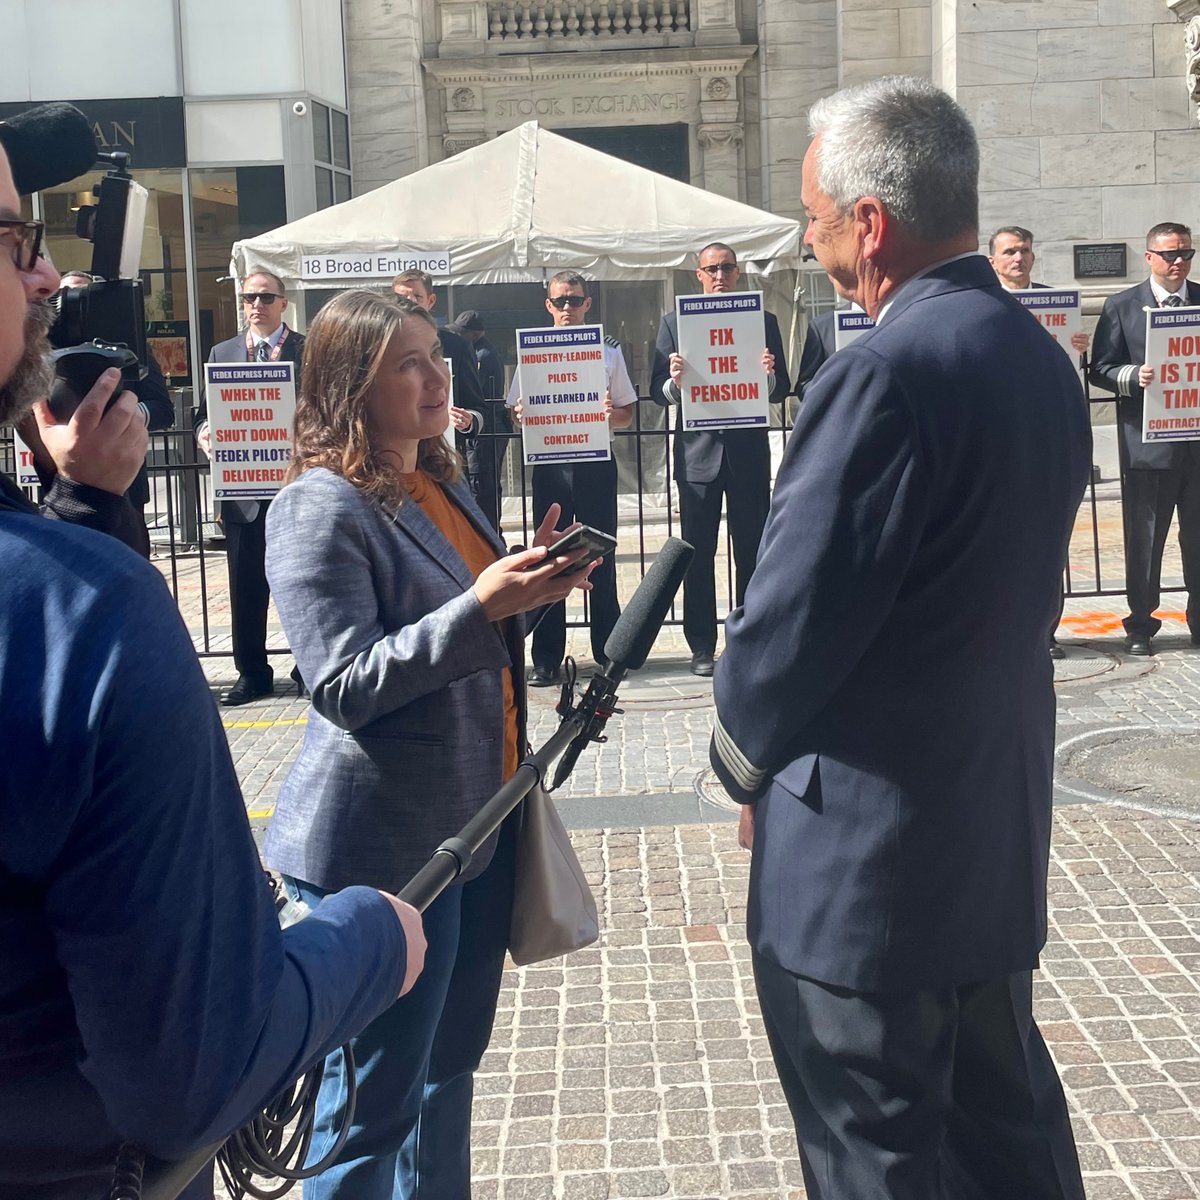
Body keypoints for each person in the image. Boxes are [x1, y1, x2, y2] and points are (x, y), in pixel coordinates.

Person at [0, 136, 426, 1200]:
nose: (48, 275)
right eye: (14, 244)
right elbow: (193, 1067)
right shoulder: (78, 617)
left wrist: (87, 510)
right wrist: (368, 938)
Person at [709, 76, 1090, 1200]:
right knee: (1006, 1148)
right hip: (988, 833)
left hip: (864, 877)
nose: (810, 238)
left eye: (814, 217)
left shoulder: (879, 369)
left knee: (874, 1161)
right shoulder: (1037, 358)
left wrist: (740, 758)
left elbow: (790, 618)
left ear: (869, 223)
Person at [262, 289, 594, 1199]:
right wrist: (479, 607)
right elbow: (343, 687)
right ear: (349, 385)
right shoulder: (317, 507)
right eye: (406, 363)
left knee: (446, 1078)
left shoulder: (440, 479)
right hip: (382, 848)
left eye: (436, 355)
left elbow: (469, 626)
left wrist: (524, 591)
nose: (436, 375)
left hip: (476, 827)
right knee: (369, 1112)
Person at [650, 242, 792, 677]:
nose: (719, 275)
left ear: (738, 273)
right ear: (698, 274)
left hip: (746, 454)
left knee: (753, 551)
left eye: (727, 268)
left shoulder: (763, 321)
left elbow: (782, 387)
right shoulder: (675, 323)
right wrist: (674, 382)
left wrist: (767, 376)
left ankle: (749, 641)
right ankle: (700, 646)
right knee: (697, 552)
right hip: (698, 457)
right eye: (711, 268)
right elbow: (656, 390)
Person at [506, 270, 637, 685]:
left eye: (574, 300)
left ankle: (609, 652)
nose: (567, 308)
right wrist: (521, 414)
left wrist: (608, 413)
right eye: (559, 301)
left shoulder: (609, 352)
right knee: (548, 557)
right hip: (550, 462)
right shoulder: (532, 351)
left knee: (603, 556)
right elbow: (514, 411)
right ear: (548, 305)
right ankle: (545, 658)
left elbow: (627, 412)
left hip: (596, 461)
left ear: (587, 304)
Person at [194, 270, 305, 705]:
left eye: (264, 297)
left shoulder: (305, 349)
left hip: (295, 487)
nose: (255, 305)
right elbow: (204, 412)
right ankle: (252, 673)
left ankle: (307, 667)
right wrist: (204, 431)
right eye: (248, 298)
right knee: (244, 587)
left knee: (303, 584)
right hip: (243, 491)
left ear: (283, 303)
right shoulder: (223, 352)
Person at [1090, 221, 1200, 656]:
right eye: (1170, 254)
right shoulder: (1121, 306)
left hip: (1197, 443)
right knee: (1145, 539)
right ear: (1149, 256)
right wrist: (1135, 376)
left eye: (1186, 254)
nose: (1178, 262)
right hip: (1148, 445)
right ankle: (1140, 625)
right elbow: (1099, 368)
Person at [988, 226, 1091, 658]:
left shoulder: (1056, 303)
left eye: (1025, 251)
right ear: (992, 260)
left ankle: (1045, 633)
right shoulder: (981, 302)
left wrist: (1080, 347)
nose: (1018, 258)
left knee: (1048, 544)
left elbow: (1072, 368)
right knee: (996, 544)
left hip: (1045, 435)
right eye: (1009, 251)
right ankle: (997, 632)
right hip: (994, 439)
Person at [391, 271, 500, 528]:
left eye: (416, 296)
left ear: (430, 300)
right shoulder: (380, 345)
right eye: (401, 297)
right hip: (393, 469)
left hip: (443, 464)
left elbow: (479, 407)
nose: (408, 303)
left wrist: (469, 420)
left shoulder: (457, 345)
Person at [449, 307, 513, 530]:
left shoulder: (481, 355)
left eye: (461, 332)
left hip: (487, 431)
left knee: (482, 485)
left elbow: (474, 394)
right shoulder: (479, 351)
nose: (457, 337)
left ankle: (491, 534)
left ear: (475, 334)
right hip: (486, 429)